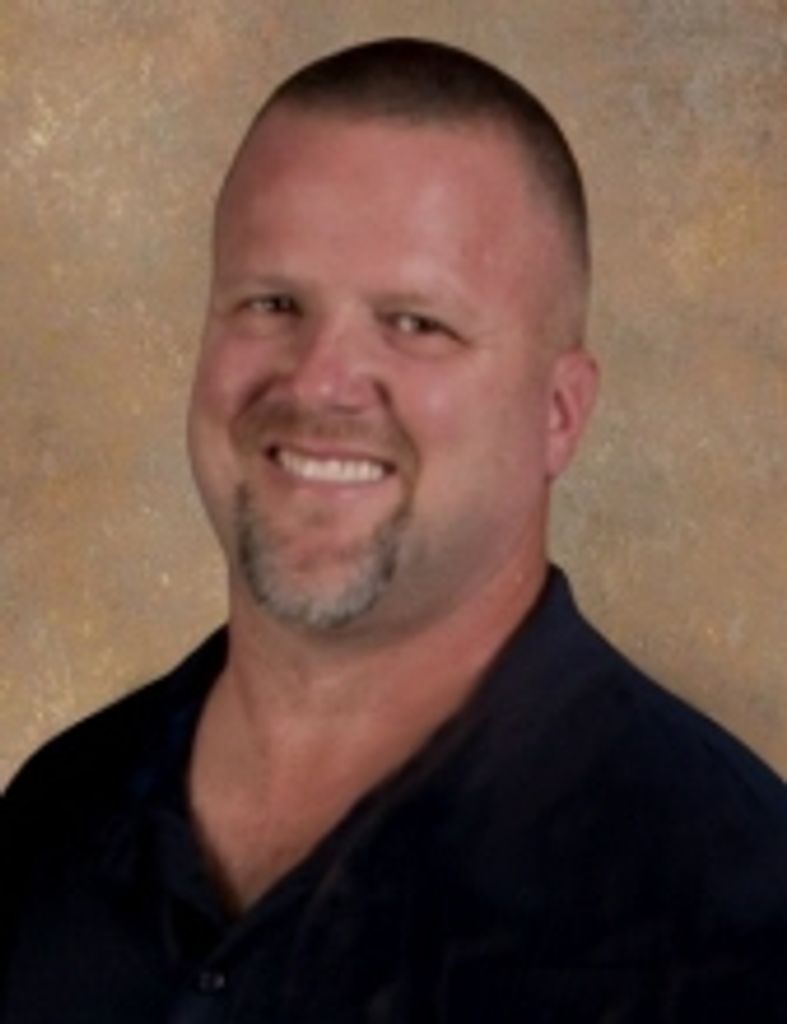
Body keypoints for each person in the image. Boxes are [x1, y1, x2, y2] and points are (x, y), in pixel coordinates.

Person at [3, 37, 787, 1023]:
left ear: (558, 413)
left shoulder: (731, 909)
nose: (318, 382)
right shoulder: (52, 818)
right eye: (272, 303)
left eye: (415, 323)